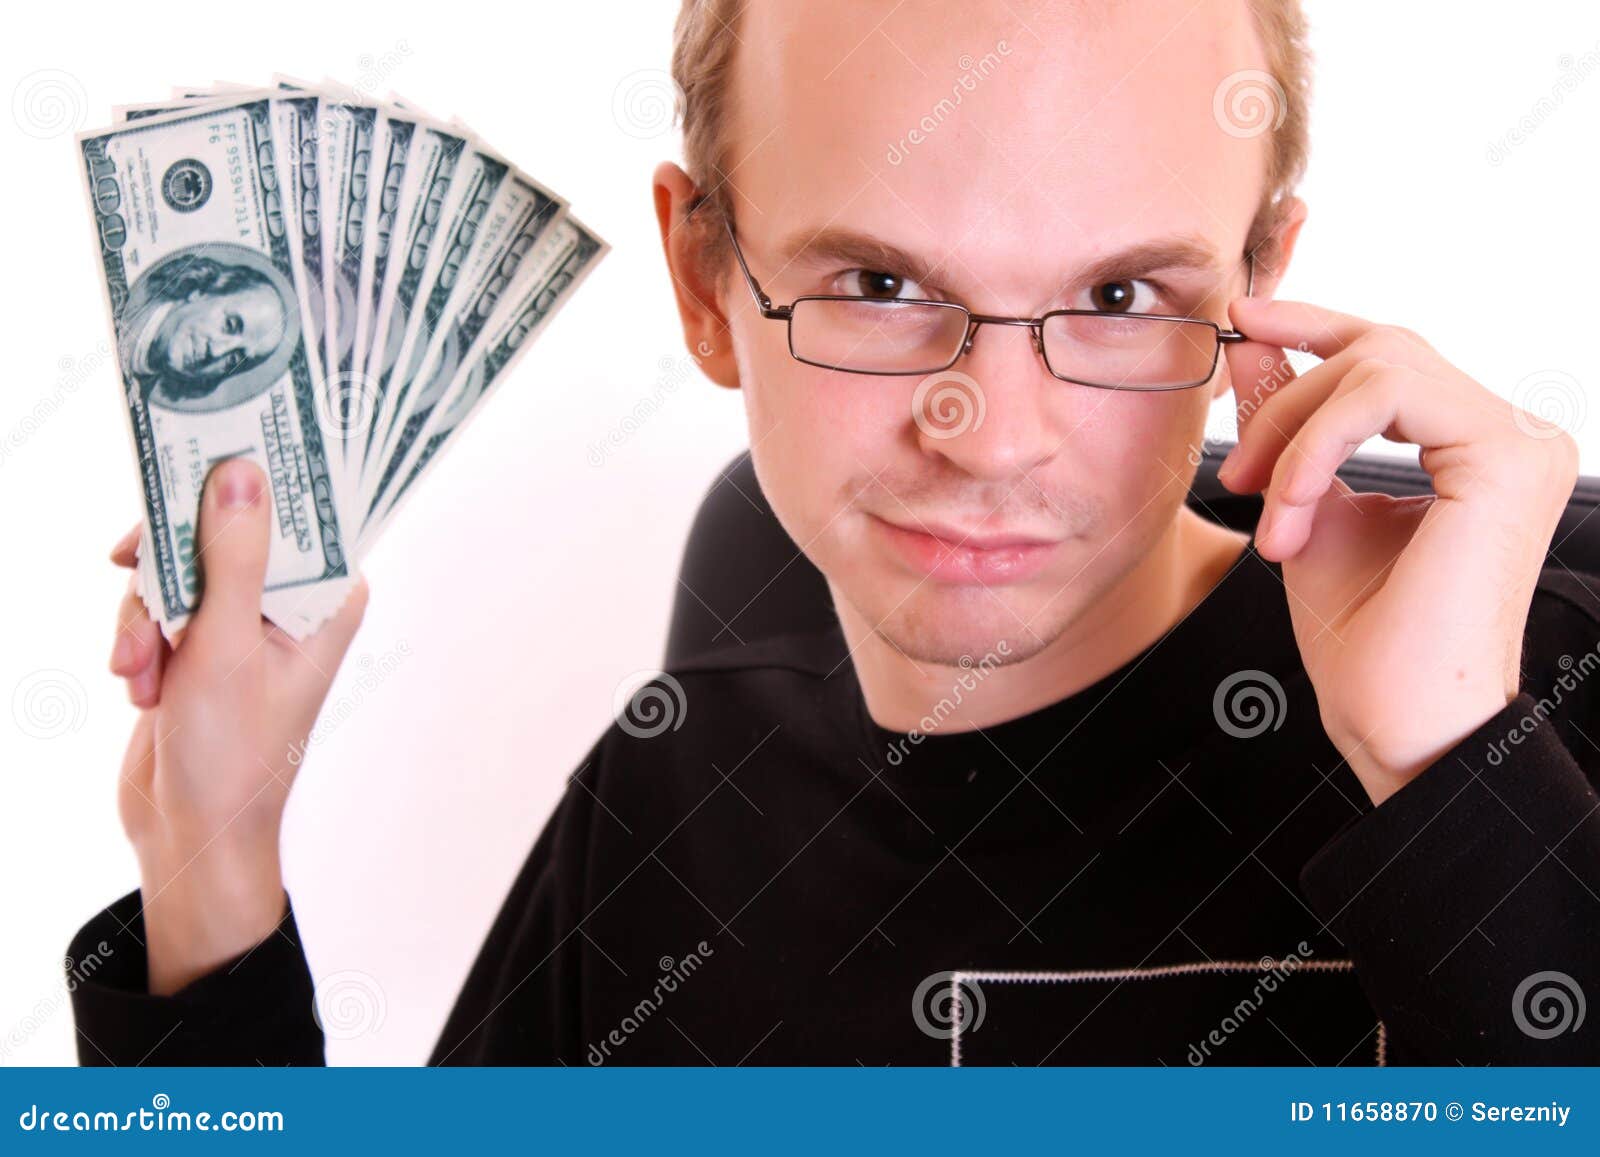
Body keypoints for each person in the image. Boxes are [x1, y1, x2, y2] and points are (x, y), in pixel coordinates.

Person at [73, 0, 1596, 1066]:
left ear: (1260, 279)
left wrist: (1454, 777)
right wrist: (208, 864)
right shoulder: (667, 794)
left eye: (1122, 296)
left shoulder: (1541, 682)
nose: (992, 435)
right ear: (703, 282)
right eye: (879, 284)